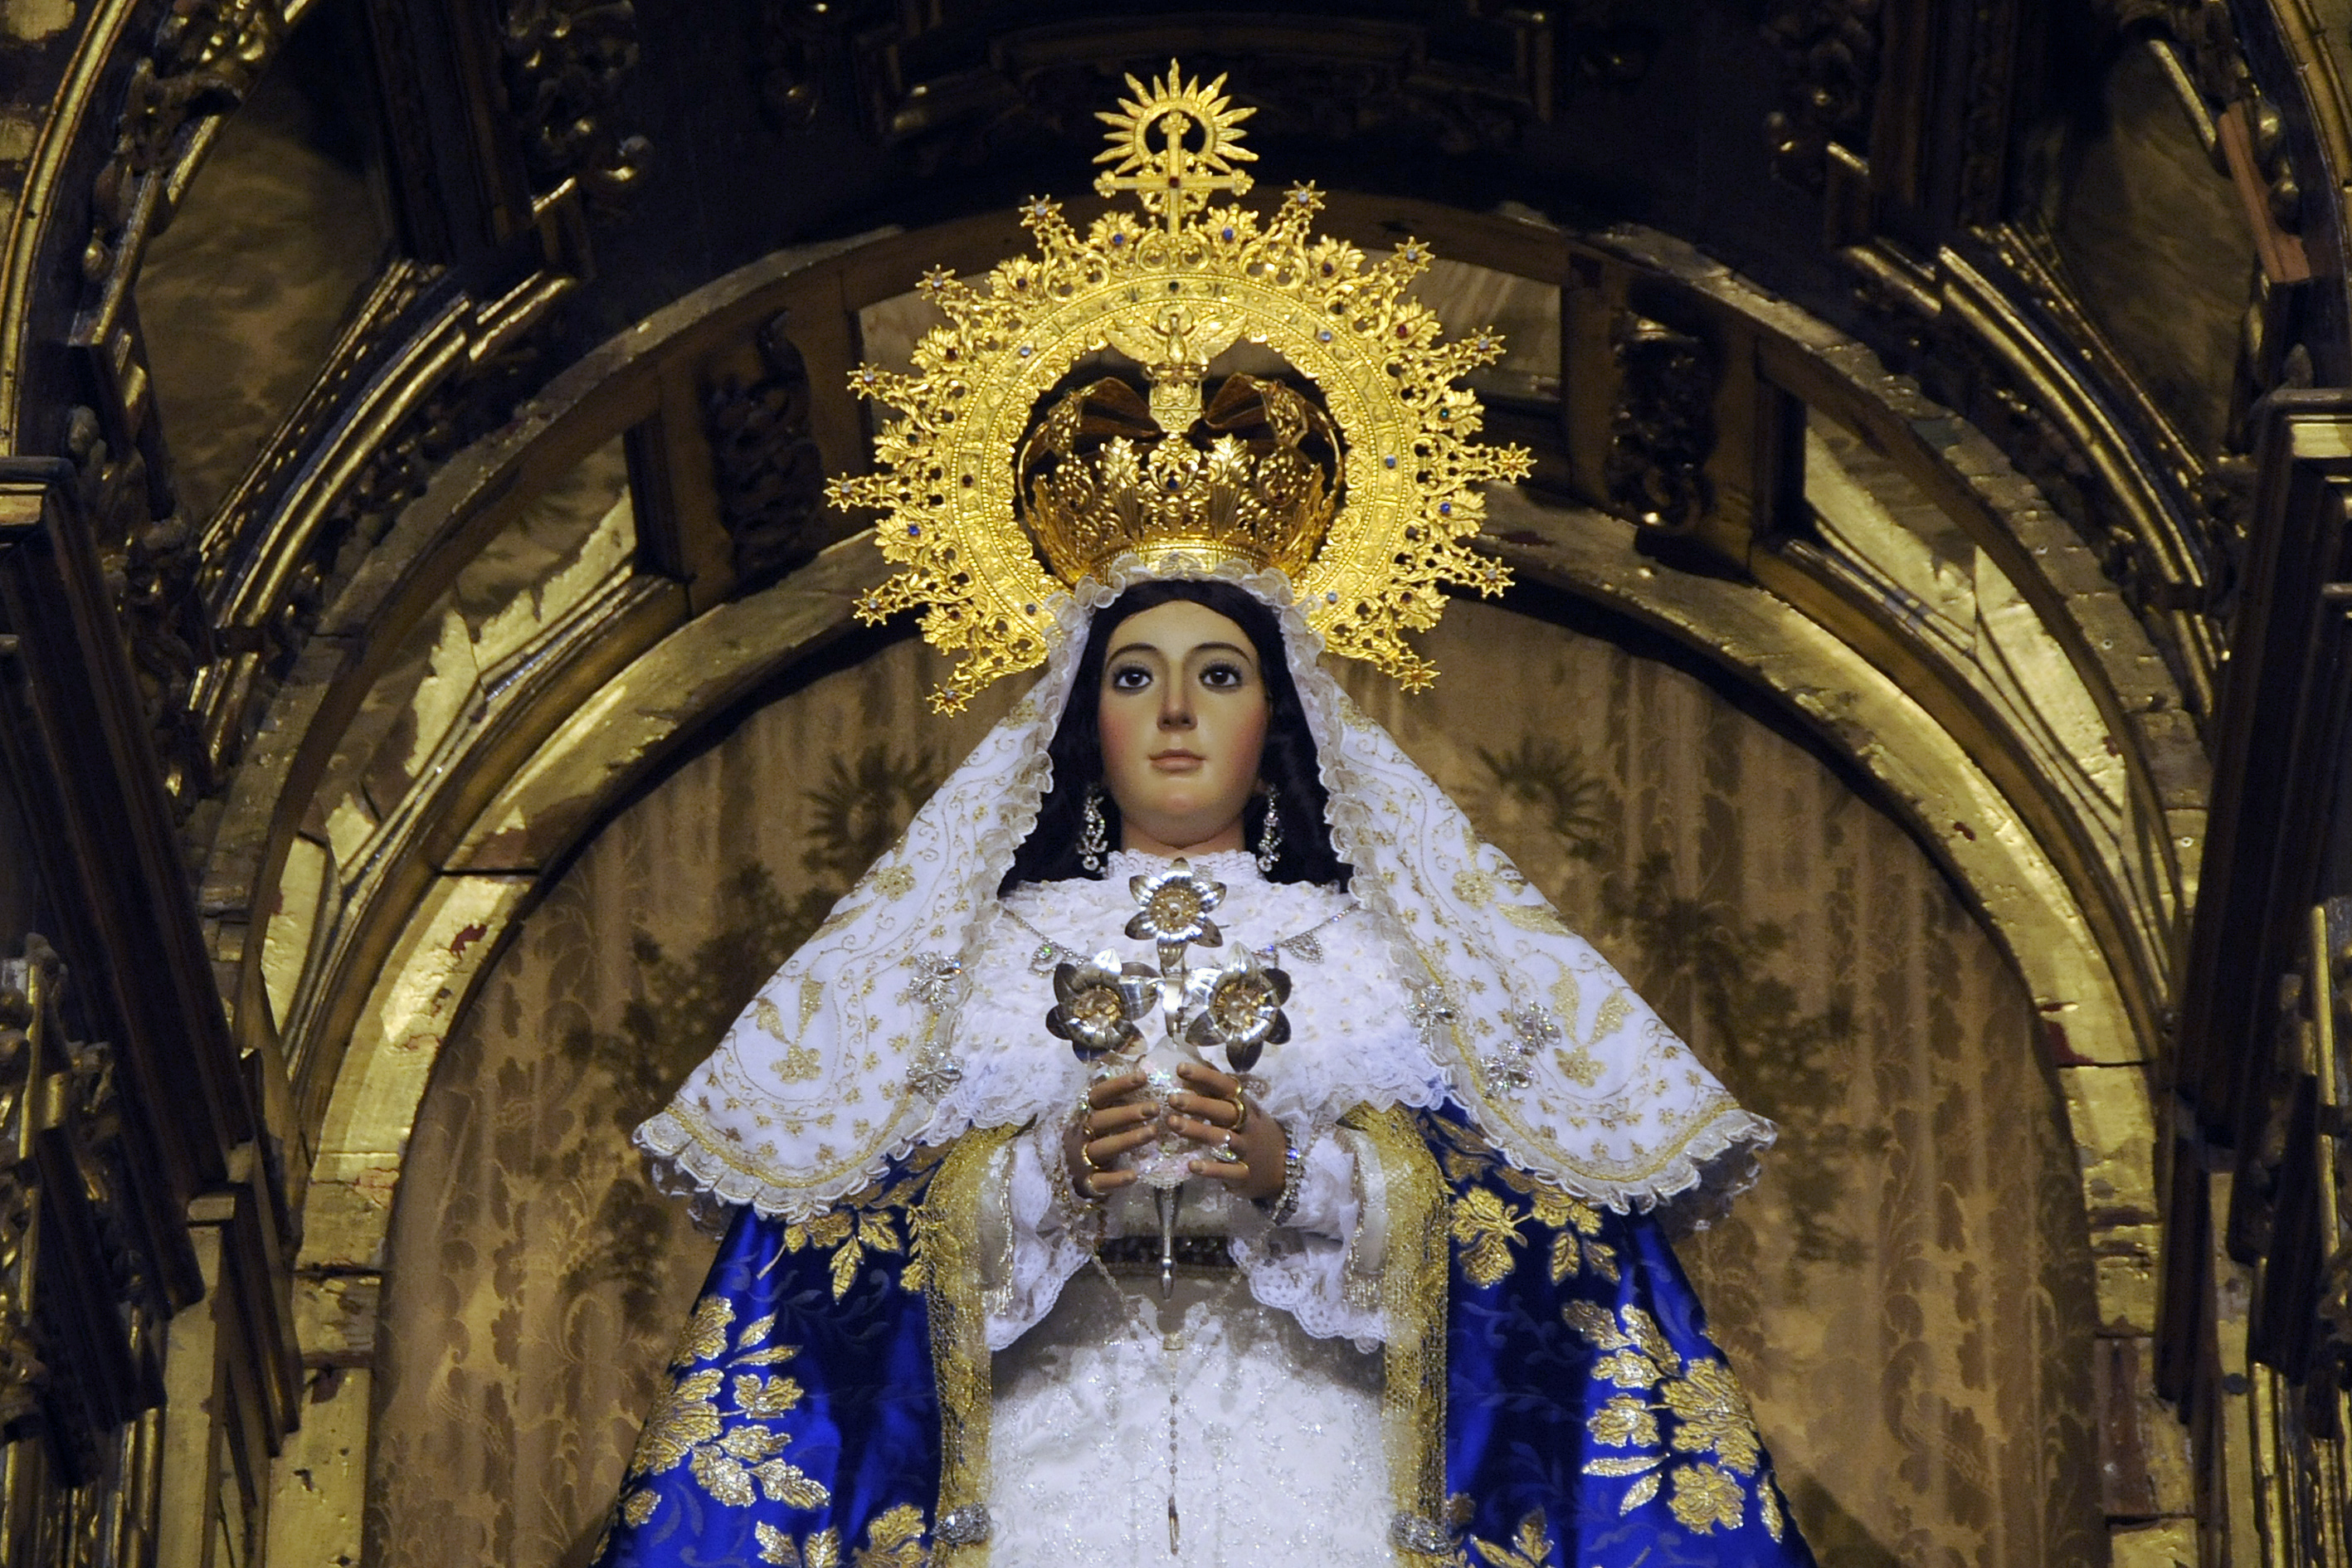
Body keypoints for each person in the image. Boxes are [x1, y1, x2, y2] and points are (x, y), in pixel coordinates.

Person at [587, 63, 1816, 1568]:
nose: (1176, 709)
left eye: (1219, 673)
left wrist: (1304, 1175)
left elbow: (1543, 1254)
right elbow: (833, 1267)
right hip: (1040, 1487)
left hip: (1326, 1480)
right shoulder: (966, 956)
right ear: (1082, 714)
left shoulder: (1389, 952)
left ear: (1274, 716)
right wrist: (1036, 1175)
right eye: (1136, 674)